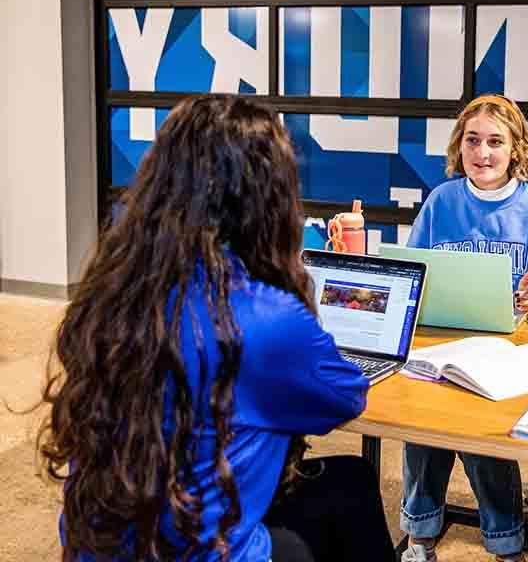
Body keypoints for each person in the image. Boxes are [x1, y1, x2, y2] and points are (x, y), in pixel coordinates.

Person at [37, 96, 395, 561]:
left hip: (102, 542)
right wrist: (293, 289)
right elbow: (346, 397)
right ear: (269, 199)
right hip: (202, 551)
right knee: (348, 494)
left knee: (348, 482)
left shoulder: (110, 292)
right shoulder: (266, 316)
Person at [400, 94, 528, 562]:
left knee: (482, 430)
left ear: (516, 148)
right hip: (445, 346)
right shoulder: (441, 201)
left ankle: (506, 543)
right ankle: (420, 535)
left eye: (495, 142)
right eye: (473, 141)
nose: (482, 154)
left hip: (514, 357)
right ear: (459, 146)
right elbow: (413, 282)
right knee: (423, 421)